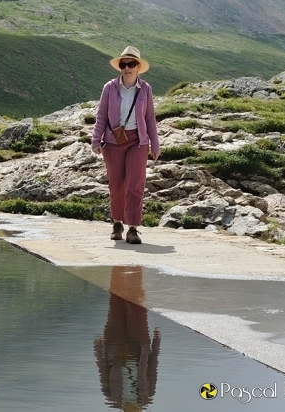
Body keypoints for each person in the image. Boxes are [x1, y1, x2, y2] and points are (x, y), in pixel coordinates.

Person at [92, 46, 160, 244]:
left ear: (138, 67)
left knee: (135, 184)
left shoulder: (145, 89)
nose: (127, 68)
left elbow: (150, 119)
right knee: (116, 184)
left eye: (131, 64)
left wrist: (155, 145)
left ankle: (132, 228)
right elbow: (101, 115)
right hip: (113, 141)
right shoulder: (109, 87)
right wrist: (96, 140)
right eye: (123, 64)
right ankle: (116, 224)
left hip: (138, 141)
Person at [93, 266, 161, 411]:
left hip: (114, 347)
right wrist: (156, 343)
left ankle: (118, 268)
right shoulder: (147, 396)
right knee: (136, 307)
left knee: (116, 303)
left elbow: (103, 369)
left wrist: (97, 349)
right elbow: (153, 366)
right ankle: (134, 269)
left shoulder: (111, 398)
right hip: (139, 346)